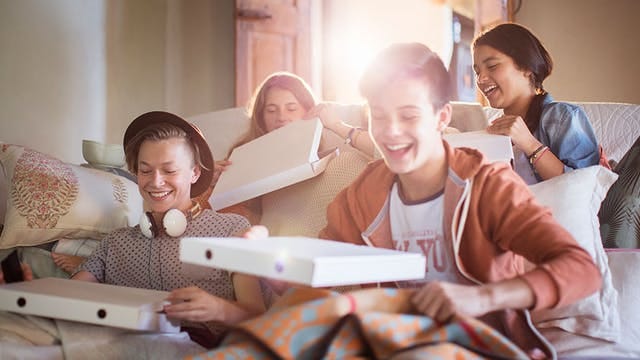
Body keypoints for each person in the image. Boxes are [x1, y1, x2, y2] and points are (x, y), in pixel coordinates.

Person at [313, 42, 601, 358]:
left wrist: (484, 298)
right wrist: (264, 259)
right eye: (378, 116)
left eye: (408, 116)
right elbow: (314, 269)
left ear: (441, 118)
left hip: (483, 347)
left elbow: (581, 269)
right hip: (393, 344)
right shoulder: (366, 191)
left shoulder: (487, 186)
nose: (391, 132)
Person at [1, 111, 266, 347]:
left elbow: (257, 315)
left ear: (194, 173)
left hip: (188, 344)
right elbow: (73, 299)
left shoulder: (232, 230)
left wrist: (218, 309)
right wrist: (30, 293)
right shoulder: (115, 243)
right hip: (108, 338)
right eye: (145, 170)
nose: (156, 181)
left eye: (169, 170)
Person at [215, 71, 377, 224]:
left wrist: (337, 125)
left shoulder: (335, 143)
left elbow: (383, 153)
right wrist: (210, 183)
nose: (281, 117)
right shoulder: (244, 156)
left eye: (291, 108)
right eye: (271, 110)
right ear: (261, 118)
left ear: (309, 110)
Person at [472, 22, 606, 184]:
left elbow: (586, 188)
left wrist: (529, 143)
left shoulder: (562, 117)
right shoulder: (494, 130)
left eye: (492, 66)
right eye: (477, 72)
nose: (481, 79)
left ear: (526, 66)